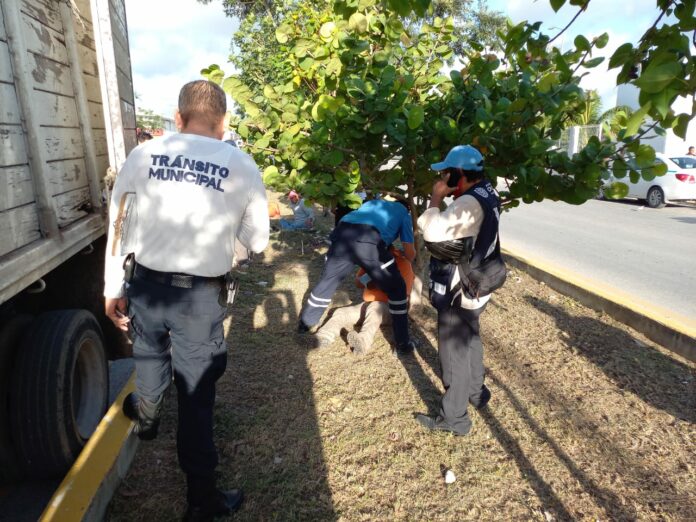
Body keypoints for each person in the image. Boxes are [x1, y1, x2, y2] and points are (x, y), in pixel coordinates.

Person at [103, 80, 269, 520]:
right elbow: (257, 239)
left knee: (148, 353)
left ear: (178, 118)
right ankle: (201, 500)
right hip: (199, 296)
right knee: (196, 397)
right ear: (223, 122)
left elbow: (120, 225)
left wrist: (112, 288)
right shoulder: (241, 164)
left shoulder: (143, 155)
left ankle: (148, 416)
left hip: (146, 286)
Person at [415, 144, 500, 436]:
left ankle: (455, 419)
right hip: (480, 282)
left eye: (447, 172)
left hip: (460, 288)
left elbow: (431, 231)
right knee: (471, 337)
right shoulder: (488, 192)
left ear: (459, 173)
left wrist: (436, 197)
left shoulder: (466, 204)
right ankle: (477, 392)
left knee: (454, 353)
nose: (443, 177)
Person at [298, 198, 416, 355]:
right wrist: (406, 257)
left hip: (342, 232)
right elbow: (409, 251)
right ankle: (403, 344)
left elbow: (360, 281)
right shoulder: (403, 213)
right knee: (397, 289)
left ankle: (305, 323)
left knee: (327, 282)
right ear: (408, 208)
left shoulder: (374, 203)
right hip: (369, 238)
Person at [314, 247, 415, 354]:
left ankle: (363, 342)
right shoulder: (371, 261)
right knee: (341, 312)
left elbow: (404, 294)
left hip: (391, 308)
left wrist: (383, 283)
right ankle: (323, 337)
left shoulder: (403, 263)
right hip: (369, 304)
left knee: (375, 308)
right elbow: (358, 283)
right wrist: (369, 279)